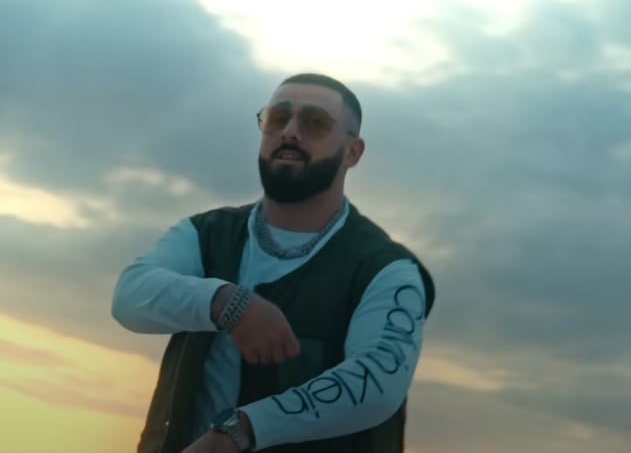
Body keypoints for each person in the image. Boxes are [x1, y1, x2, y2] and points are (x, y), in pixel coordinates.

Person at [111, 73, 436, 453]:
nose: (290, 132)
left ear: (352, 152)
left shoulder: (386, 269)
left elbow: (377, 383)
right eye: (277, 118)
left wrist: (241, 430)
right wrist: (224, 302)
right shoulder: (207, 234)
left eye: (314, 122)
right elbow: (129, 297)